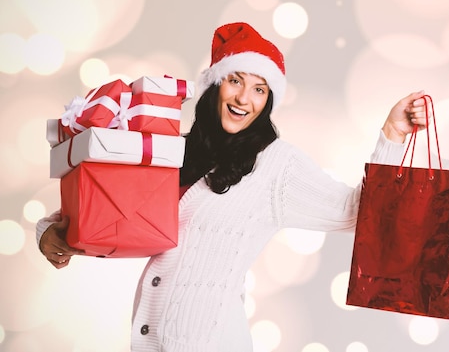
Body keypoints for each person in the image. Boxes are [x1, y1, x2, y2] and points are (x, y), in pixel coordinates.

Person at [37, 22, 428, 351]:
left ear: (269, 99)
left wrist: (391, 135)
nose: (244, 98)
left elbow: (357, 213)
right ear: (214, 86)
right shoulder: (175, 149)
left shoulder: (276, 164)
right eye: (235, 80)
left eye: (259, 89)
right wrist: (50, 232)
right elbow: (115, 209)